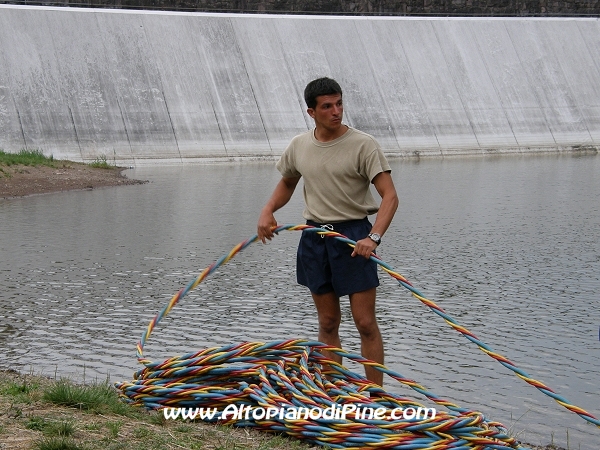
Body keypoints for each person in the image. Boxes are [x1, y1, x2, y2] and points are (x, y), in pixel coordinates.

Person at [257, 77, 398, 386]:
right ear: (311, 112)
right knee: (328, 321)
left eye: (339, 104)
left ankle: (377, 398)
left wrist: (372, 238)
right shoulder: (300, 145)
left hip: (354, 237)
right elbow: (287, 182)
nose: (336, 111)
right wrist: (268, 210)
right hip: (314, 238)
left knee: (364, 323)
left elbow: (390, 195)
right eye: (327, 107)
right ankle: (334, 393)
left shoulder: (364, 144)